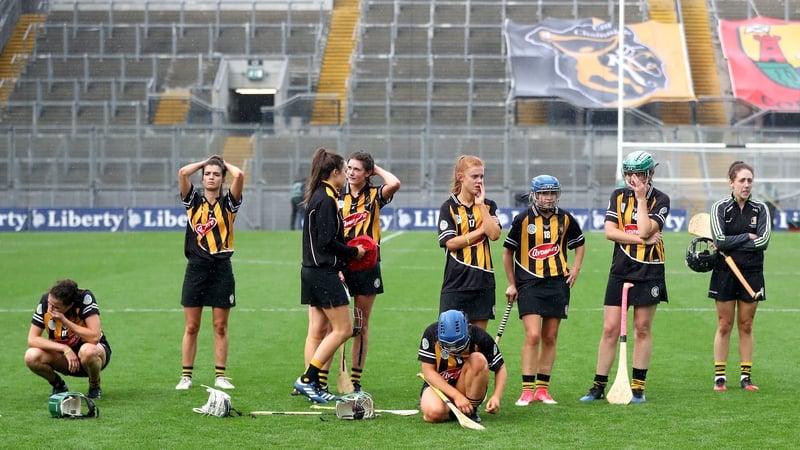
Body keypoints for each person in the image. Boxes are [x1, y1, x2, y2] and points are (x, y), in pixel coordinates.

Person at [580, 150, 670, 404]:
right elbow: (610, 232)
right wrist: (639, 239)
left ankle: (638, 386)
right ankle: (598, 386)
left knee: (642, 328)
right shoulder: (617, 196)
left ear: (650, 174)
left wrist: (641, 199)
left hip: (650, 270)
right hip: (620, 269)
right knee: (609, 329)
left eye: (638, 173)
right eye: (629, 173)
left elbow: (645, 227)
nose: (633, 178)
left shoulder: (661, 199)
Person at [503, 175, 585, 406]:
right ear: (534, 195)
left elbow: (579, 243)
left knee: (550, 337)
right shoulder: (522, 219)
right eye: (544, 193)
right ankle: (527, 389)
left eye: (552, 193)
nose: (548, 198)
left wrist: (576, 269)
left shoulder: (565, 218)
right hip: (529, 283)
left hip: (557, 282)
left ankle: (542, 389)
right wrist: (512, 282)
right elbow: (508, 252)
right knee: (533, 335)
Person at [294, 147, 366, 403]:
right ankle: (306, 379)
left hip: (311, 271)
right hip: (322, 273)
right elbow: (326, 241)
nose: (347, 175)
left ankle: (312, 386)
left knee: (316, 330)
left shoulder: (319, 195)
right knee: (343, 329)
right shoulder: (325, 198)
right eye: (344, 170)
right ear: (334, 172)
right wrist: (352, 252)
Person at [175, 155, 244, 390]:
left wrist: (223, 163)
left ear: (222, 178)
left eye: (216, 174)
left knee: (220, 327)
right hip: (196, 269)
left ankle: (220, 376)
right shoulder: (193, 201)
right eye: (207, 174)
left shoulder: (229, 204)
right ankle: (186, 376)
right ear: (202, 177)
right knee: (192, 326)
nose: (211, 177)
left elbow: (240, 176)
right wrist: (205, 161)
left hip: (222, 270)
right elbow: (183, 173)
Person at [341, 151, 401, 392]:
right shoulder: (337, 194)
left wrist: (375, 168)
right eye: (349, 168)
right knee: (334, 326)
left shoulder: (375, 195)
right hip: (341, 265)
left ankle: (355, 378)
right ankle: (319, 376)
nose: (351, 172)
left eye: (357, 169)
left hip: (367, 266)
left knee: (360, 324)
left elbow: (394, 183)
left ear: (367, 173)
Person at [709, 161, 770, 392]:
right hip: (725, 272)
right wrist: (747, 236)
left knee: (746, 325)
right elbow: (719, 240)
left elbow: (763, 241)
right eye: (742, 180)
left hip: (752, 272)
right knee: (724, 324)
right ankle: (720, 377)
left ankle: (746, 377)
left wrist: (732, 243)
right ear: (731, 182)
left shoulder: (761, 209)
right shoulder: (719, 208)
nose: (746, 185)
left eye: (750, 180)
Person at [437, 155, 502, 330]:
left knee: (478, 341)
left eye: (481, 177)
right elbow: (450, 242)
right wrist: (481, 231)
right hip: (456, 283)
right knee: (451, 339)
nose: (479, 181)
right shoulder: (448, 207)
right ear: (460, 177)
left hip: (483, 282)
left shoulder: (488, 205)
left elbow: (495, 234)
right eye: (474, 177)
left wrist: (480, 206)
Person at [25, 279, 111, 400]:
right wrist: (65, 348)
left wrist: (64, 321)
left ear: (69, 305)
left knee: (88, 351)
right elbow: (32, 339)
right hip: (65, 358)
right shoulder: (47, 300)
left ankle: (94, 386)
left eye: (56, 307)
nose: (50, 309)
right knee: (31, 356)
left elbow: (95, 337)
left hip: (94, 356)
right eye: (49, 303)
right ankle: (58, 385)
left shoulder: (84, 298)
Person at [418, 309, 507, 424]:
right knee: (434, 413)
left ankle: (470, 410)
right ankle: (450, 409)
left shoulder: (480, 336)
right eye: (448, 347)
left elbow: (500, 368)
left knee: (478, 359)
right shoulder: (431, 333)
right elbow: (429, 373)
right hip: (440, 384)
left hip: (465, 384)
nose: (454, 351)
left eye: (459, 346)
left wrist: (496, 396)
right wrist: (457, 396)